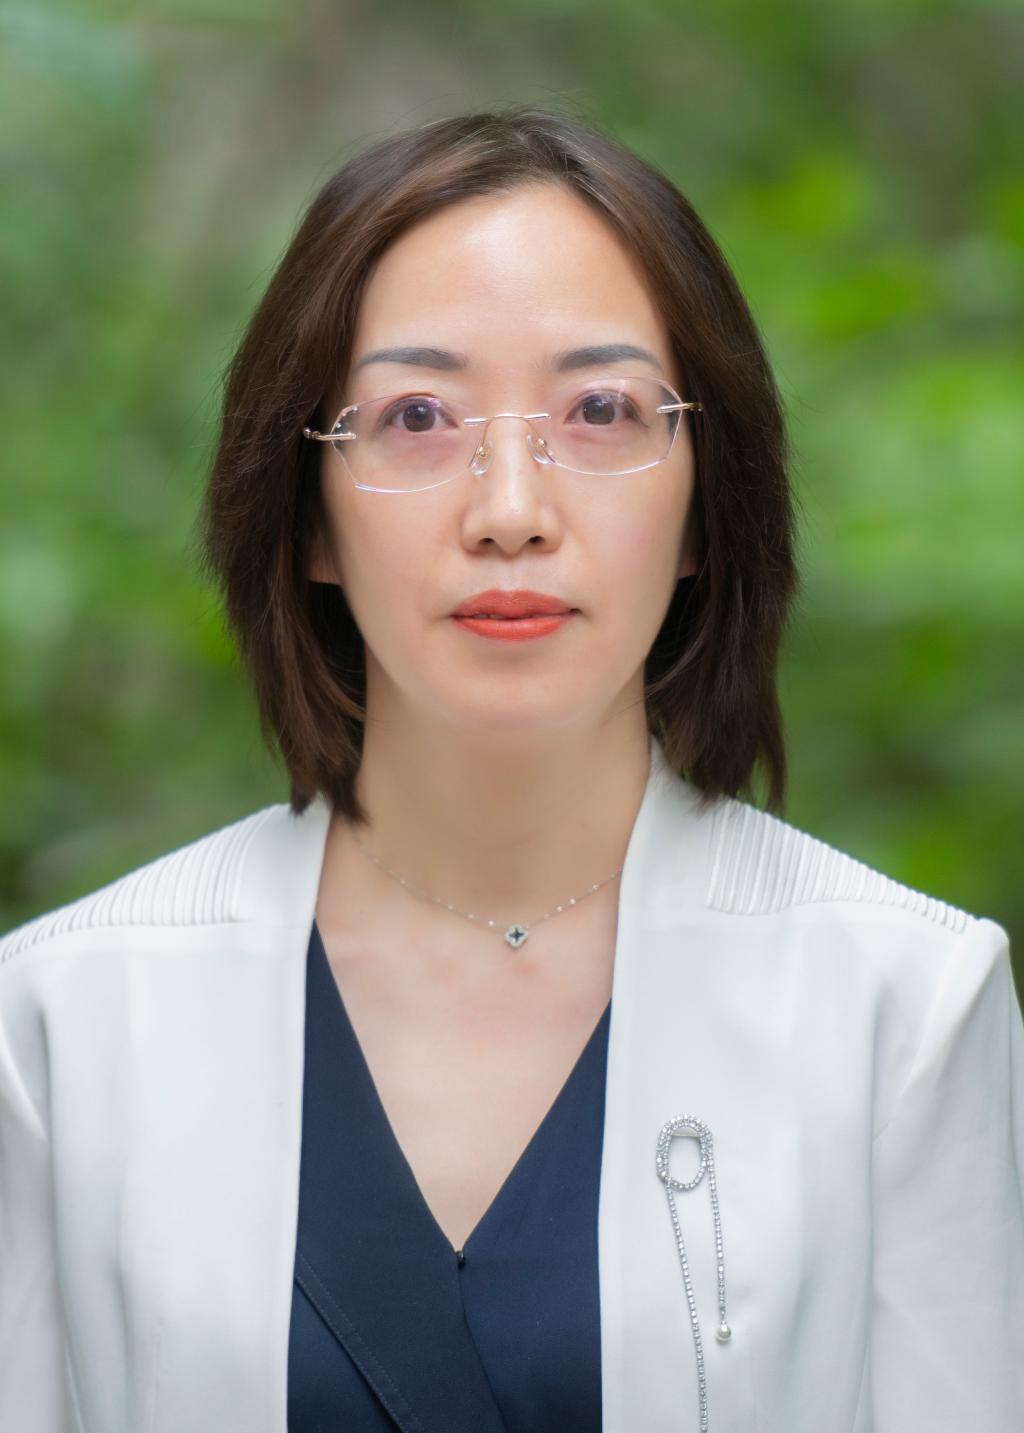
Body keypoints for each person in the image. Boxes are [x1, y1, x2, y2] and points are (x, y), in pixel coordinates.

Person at [1, 105, 1021, 1433]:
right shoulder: (65, 1020)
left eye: (600, 410)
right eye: (418, 415)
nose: (511, 511)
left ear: (705, 503)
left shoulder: (905, 1006)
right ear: (307, 513)